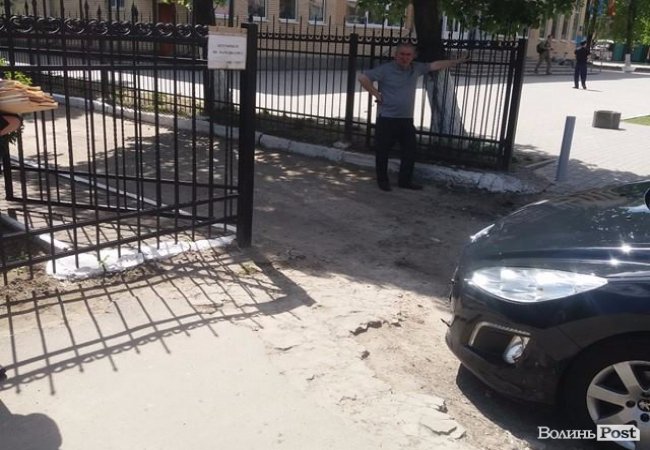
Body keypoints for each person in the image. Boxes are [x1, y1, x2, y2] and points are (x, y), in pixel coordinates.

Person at [358, 43, 469, 191]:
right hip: (387, 118)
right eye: (402, 54)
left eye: (408, 55)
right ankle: (383, 181)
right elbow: (363, 77)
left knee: (410, 150)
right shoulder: (385, 70)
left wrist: (455, 61)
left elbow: (435, 65)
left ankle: (405, 181)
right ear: (395, 55)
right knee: (382, 151)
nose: (405, 57)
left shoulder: (416, 68)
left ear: (413, 56)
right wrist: (376, 94)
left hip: (406, 119)